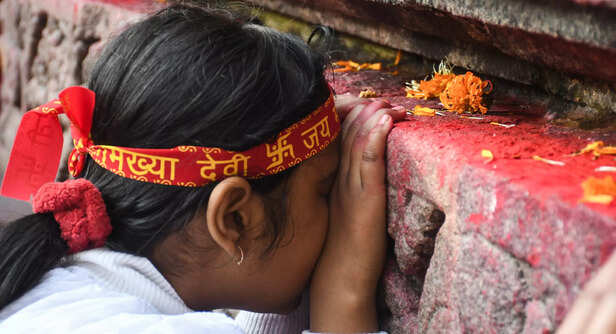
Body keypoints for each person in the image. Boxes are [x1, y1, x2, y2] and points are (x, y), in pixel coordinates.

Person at [0, 3, 407, 333]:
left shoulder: (43, 279)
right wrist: (345, 295)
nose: (336, 204)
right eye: (325, 189)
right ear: (233, 217)